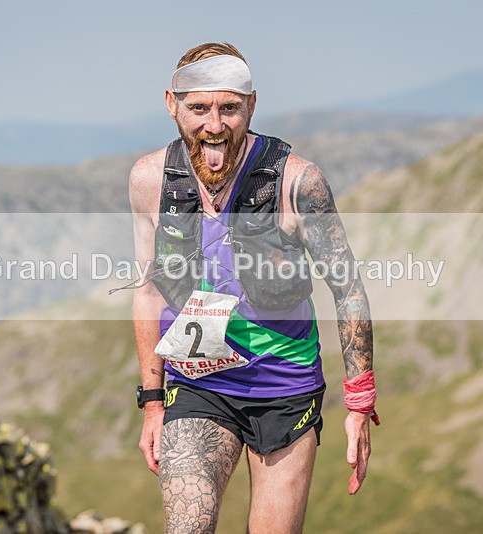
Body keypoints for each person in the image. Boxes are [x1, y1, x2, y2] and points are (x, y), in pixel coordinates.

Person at [129, 42, 378, 533]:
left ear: (252, 106)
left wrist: (359, 401)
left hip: (285, 388)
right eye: (198, 108)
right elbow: (150, 290)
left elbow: (346, 287)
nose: (214, 125)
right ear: (171, 104)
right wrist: (153, 401)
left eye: (230, 108)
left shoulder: (296, 181)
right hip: (198, 382)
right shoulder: (149, 180)